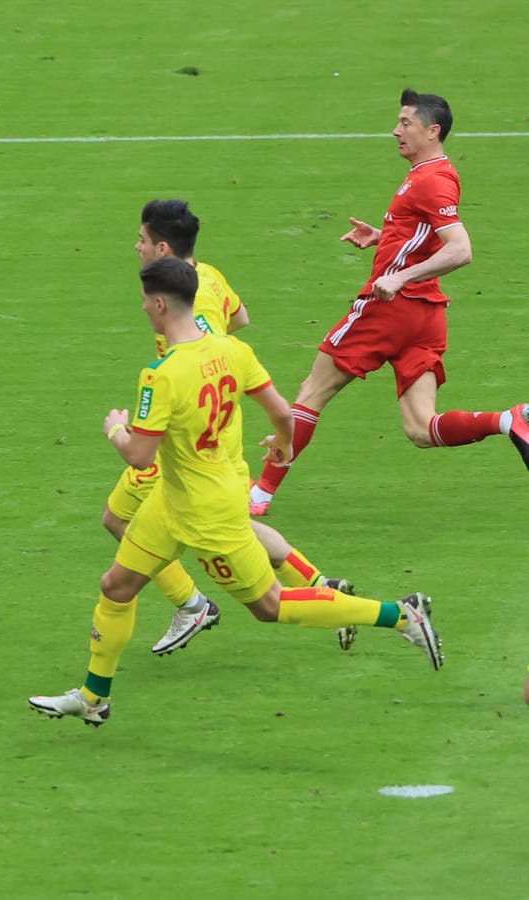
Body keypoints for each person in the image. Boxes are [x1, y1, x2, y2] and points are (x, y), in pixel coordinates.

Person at [29, 259, 441, 727]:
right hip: (176, 499)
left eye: (145, 300)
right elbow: (284, 411)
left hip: (207, 513)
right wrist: (284, 446)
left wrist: (114, 429)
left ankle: (400, 615)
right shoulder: (232, 350)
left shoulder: (160, 375)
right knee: (116, 586)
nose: (143, 307)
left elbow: (140, 456)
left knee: (271, 606)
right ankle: (93, 697)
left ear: (160, 304)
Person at [251, 88, 529, 516]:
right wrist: (387, 239)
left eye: (405, 123)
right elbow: (426, 234)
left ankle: (259, 495)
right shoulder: (430, 174)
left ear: (432, 131)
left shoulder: (432, 179)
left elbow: (460, 249)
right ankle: (509, 420)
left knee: (311, 392)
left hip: (391, 309)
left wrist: (398, 275)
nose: (395, 131)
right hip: (427, 317)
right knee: (421, 429)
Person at [109, 200, 354, 657]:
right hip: (216, 426)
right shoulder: (211, 275)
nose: (136, 246)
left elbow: (206, 340)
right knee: (232, 525)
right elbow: (239, 319)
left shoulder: (188, 305)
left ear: (162, 248)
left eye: (141, 240)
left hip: (189, 433)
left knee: (120, 518)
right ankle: (322, 583)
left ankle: (192, 605)